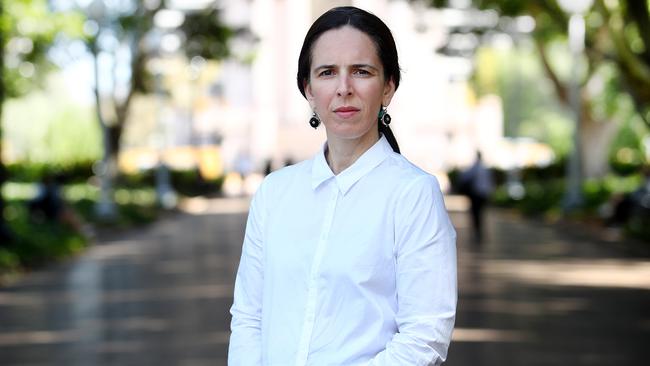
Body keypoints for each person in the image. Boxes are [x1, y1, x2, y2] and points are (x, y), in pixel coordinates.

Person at [229, 6, 457, 365]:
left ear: (388, 87)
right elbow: (248, 318)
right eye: (327, 72)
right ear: (308, 89)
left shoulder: (413, 194)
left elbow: (424, 337)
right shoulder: (275, 193)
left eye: (361, 72)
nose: (344, 88)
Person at [458, 152, 494, 242]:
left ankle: (477, 231)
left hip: (476, 194)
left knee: (476, 214)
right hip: (483, 194)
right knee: (479, 213)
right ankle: (478, 231)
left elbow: (464, 177)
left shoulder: (475, 168)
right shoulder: (484, 169)